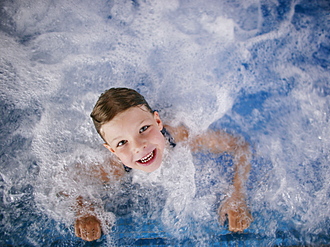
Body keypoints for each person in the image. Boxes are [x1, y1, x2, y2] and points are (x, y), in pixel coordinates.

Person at [74, 88, 253, 241]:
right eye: (122, 143)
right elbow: (69, 181)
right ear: (112, 150)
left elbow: (239, 146)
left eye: (144, 129)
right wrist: (85, 211)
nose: (138, 147)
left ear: (158, 121)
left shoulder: (177, 136)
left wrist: (237, 194)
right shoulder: (113, 168)